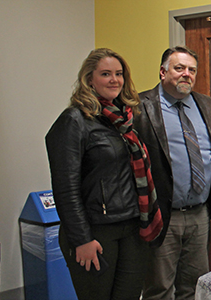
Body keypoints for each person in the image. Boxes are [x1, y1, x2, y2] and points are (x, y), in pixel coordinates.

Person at [46, 48, 162, 299]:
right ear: (89, 79)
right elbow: (66, 189)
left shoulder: (124, 120)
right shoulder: (74, 120)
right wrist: (81, 239)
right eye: (105, 74)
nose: (114, 80)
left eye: (119, 74)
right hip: (95, 233)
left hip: (132, 228)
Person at [133, 46, 211, 300]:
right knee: (159, 289)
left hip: (199, 214)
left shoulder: (207, 104)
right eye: (179, 68)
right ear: (162, 72)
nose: (186, 74)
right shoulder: (139, 107)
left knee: (194, 287)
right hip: (162, 215)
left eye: (191, 70)